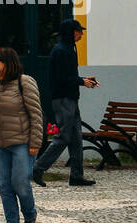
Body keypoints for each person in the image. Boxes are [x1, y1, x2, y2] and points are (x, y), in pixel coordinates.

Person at [32, 19, 98, 188]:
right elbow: (62, 79)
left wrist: (83, 80)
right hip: (63, 99)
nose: (81, 34)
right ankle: (38, 168)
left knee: (76, 137)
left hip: (70, 98)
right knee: (64, 136)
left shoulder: (68, 49)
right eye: (78, 31)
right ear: (70, 32)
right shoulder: (62, 51)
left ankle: (76, 175)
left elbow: (67, 76)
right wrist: (82, 81)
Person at [0, 46, 42, 223]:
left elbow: (36, 115)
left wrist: (35, 142)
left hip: (22, 143)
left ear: (8, 63)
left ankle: (30, 218)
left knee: (20, 183)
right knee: (4, 186)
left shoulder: (24, 82)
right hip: (0, 145)